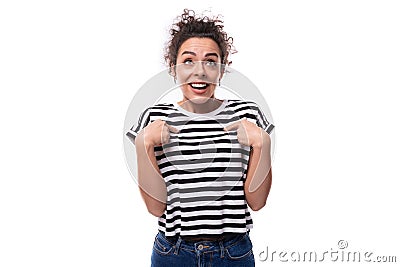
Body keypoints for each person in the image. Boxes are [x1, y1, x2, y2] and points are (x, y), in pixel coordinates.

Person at [125, 9, 275, 267]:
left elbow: (257, 202)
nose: (200, 71)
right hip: (172, 252)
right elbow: (155, 208)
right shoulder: (154, 118)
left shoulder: (248, 114)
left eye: (210, 61)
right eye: (188, 61)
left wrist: (263, 143)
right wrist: (143, 145)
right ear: (174, 67)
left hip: (233, 252)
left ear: (222, 68)